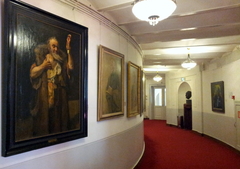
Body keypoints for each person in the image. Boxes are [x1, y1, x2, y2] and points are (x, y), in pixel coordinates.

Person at [30, 34, 74, 137]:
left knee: (57, 117)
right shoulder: (42, 59)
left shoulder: (60, 60)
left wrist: (68, 50)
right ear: (49, 47)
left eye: (57, 46)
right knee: (45, 117)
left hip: (58, 93)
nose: (56, 49)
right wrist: (43, 66)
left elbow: (71, 67)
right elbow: (32, 73)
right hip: (45, 93)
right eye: (53, 46)